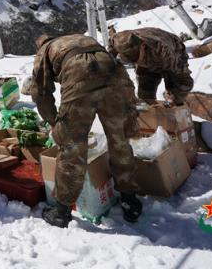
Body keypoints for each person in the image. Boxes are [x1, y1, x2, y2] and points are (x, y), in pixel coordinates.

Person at [31, 33, 143, 228]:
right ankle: (130, 200)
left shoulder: (44, 51)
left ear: (39, 46)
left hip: (80, 76)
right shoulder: (76, 39)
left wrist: (55, 123)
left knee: (72, 147)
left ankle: (61, 212)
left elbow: (40, 93)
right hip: (115, 75)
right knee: (120, 139)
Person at [108, 27, 194, 105]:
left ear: (142, 46)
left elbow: (172, 73)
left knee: (181, 86)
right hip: (149, 57)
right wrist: (110, 62)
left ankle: (178, 115)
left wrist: (171, 97)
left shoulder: (163, 50)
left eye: (136, 57)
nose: (136, 61)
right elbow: (112, 42)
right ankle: (150, 112)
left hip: (174, 51)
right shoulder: (120, 40)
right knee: (145, 91)